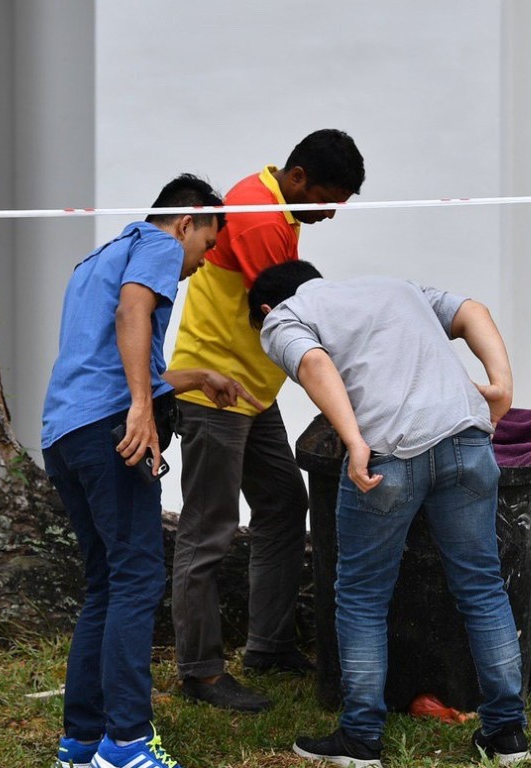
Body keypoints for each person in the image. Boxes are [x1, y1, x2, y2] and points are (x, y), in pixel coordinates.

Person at [249, 261, 531, 768]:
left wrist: (354, 441)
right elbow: (472, 311)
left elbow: (313, 363)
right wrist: (502, 384)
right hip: (467, 439)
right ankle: (508, 735)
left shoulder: (284, 316)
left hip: (391, 454)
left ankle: (360, 740)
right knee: (482, 587)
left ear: (266, 309)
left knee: (361, 596)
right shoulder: (396, 288)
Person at [43, 174, 262, 768]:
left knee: (106, 584)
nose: (202, 261)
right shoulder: (161, 244)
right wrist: (141, 408)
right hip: (111, 430)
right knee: (138, 580)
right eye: (207, 245)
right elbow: (132, 313)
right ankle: (128, 742)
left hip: (65, 433)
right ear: (188, 222)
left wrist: (196, 378)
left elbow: (107, 353)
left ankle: (81, 743)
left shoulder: (98, 258)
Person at [168, 130, 365, 712]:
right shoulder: (258, 217)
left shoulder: (275, 204)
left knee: (282, 503)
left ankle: (269, 646)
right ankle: (201, 673)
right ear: (298, 177)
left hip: (253, 393)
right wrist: (351, 397)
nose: (330, 214)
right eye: (327, 199)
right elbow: (290, 313)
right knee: (208, 529)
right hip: (213, 392)